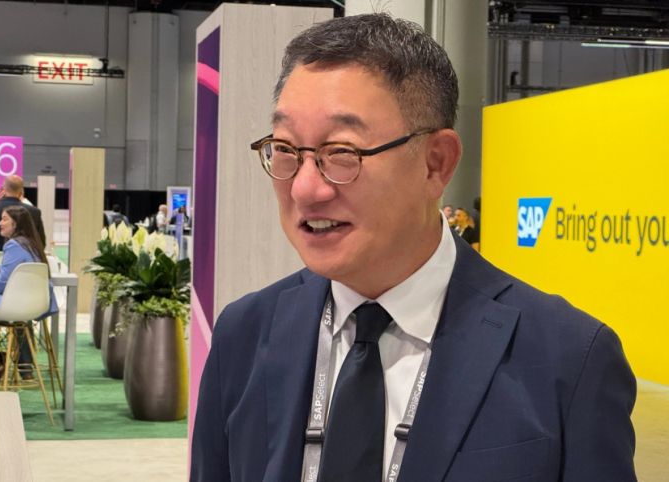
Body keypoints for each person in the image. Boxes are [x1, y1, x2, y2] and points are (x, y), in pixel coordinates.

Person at [191, 13, 636, 482]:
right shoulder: (244, 334)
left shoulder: (567, 360)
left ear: (435, 163)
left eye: (341, 152)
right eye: (285, 149)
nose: (304, 189)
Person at [0, 205, 58, 379]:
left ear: (16, 223)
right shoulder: (30, 243)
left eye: (4, 219)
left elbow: (1, 285)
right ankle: (20, 368)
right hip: (34, 304)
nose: (0, 223)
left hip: (14, 304)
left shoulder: (13, 245)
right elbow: (16, 268)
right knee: (16, 322)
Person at [0, 175, 46, 251]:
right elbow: (41, 242)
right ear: (21, 191)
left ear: (4, 189)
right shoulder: (34, 212)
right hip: (23, 257)